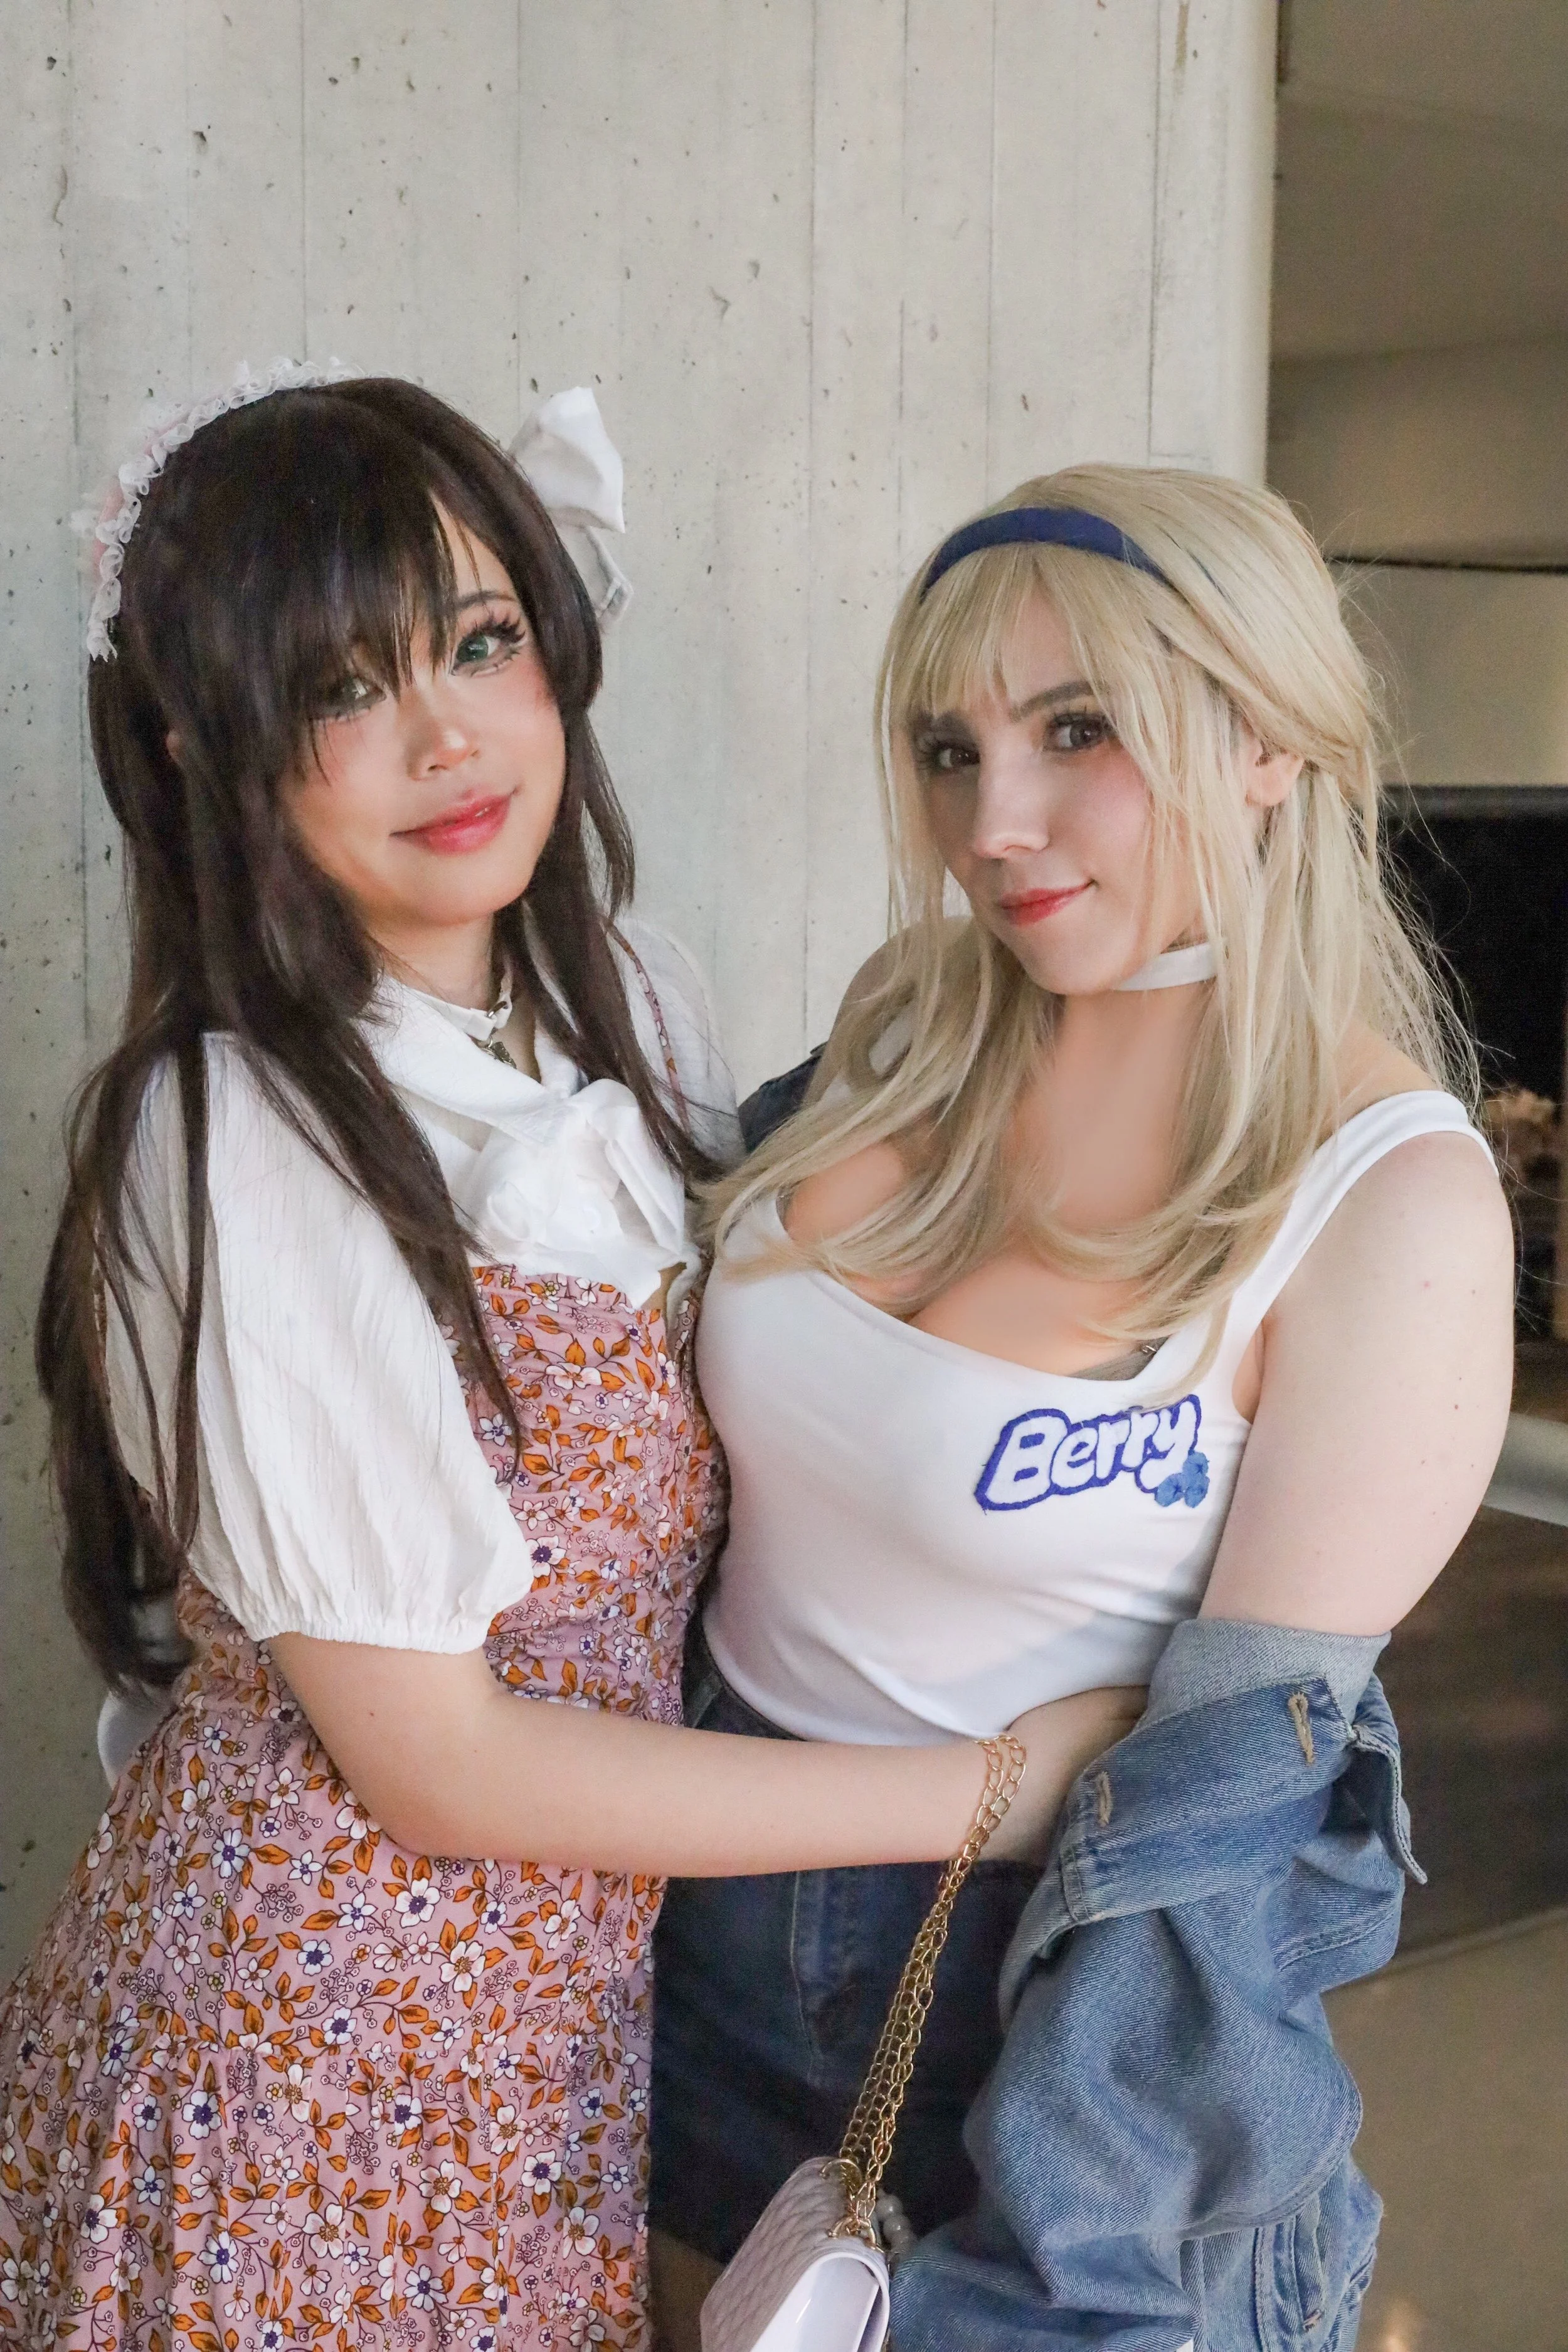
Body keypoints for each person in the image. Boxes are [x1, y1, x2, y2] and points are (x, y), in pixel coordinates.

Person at [0, 374, 1131, 2351]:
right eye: (344, 688)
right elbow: (436, 1762)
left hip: (553, 2039)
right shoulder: (233, 1126)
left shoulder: (626, 1002)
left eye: (481, 638)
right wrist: (984, 1785)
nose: (450, 733)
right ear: (207, 750)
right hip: (306, 2062)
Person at [649, 469, 1515, 2342]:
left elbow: (1222, 1828)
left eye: (1077, 731)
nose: (996, 822)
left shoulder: (1381, 1202)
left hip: (1034, 1991)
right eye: (949, 748)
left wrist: (1052, 2263)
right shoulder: (903, 1030)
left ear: (1271, 738)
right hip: (676, 1904)